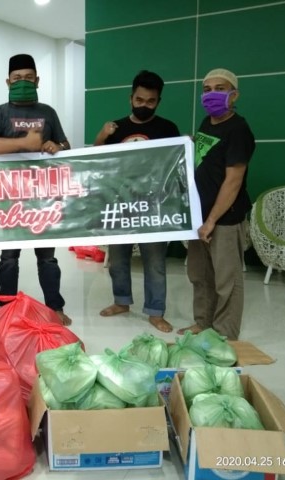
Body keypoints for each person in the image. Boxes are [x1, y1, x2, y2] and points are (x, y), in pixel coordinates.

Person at [0, 53, 72, 326]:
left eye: (29, 78)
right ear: (8, 82)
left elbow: (65, 144)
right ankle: (5, 308)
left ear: (38, 81)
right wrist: (25, 143)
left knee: (48, 259)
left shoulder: (48, 112)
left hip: (43, 198)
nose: (23, 82)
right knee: (9, 258)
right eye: (17, 78)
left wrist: (57, 146)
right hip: (9, 198)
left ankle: (54, 307)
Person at [93, 70, 180, 333]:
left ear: (158, 101)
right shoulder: (115, 128)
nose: (144, 105)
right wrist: (101, 136)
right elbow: (96, 161)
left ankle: (155, 311)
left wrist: (184, 145)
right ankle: (121, 301)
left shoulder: (168, 129)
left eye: (150, 101)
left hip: (154, 207)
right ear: (131, 98)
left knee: (155, 262)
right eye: (139, 100)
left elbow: (176, 166)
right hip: (120, 204)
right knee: (117, 259)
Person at [178, 68, 255, 340]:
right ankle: (203, 323)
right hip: (199, 215)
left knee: (226, 281)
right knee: (200, 275)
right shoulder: (207, 123)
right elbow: (208, 159)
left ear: (234, 95)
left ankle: (224, 336)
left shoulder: (239, 130)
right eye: (207, 89)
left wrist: (211, 220)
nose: (212, 94)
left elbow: (233, 181)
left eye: (220, 89)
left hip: (224, 219)